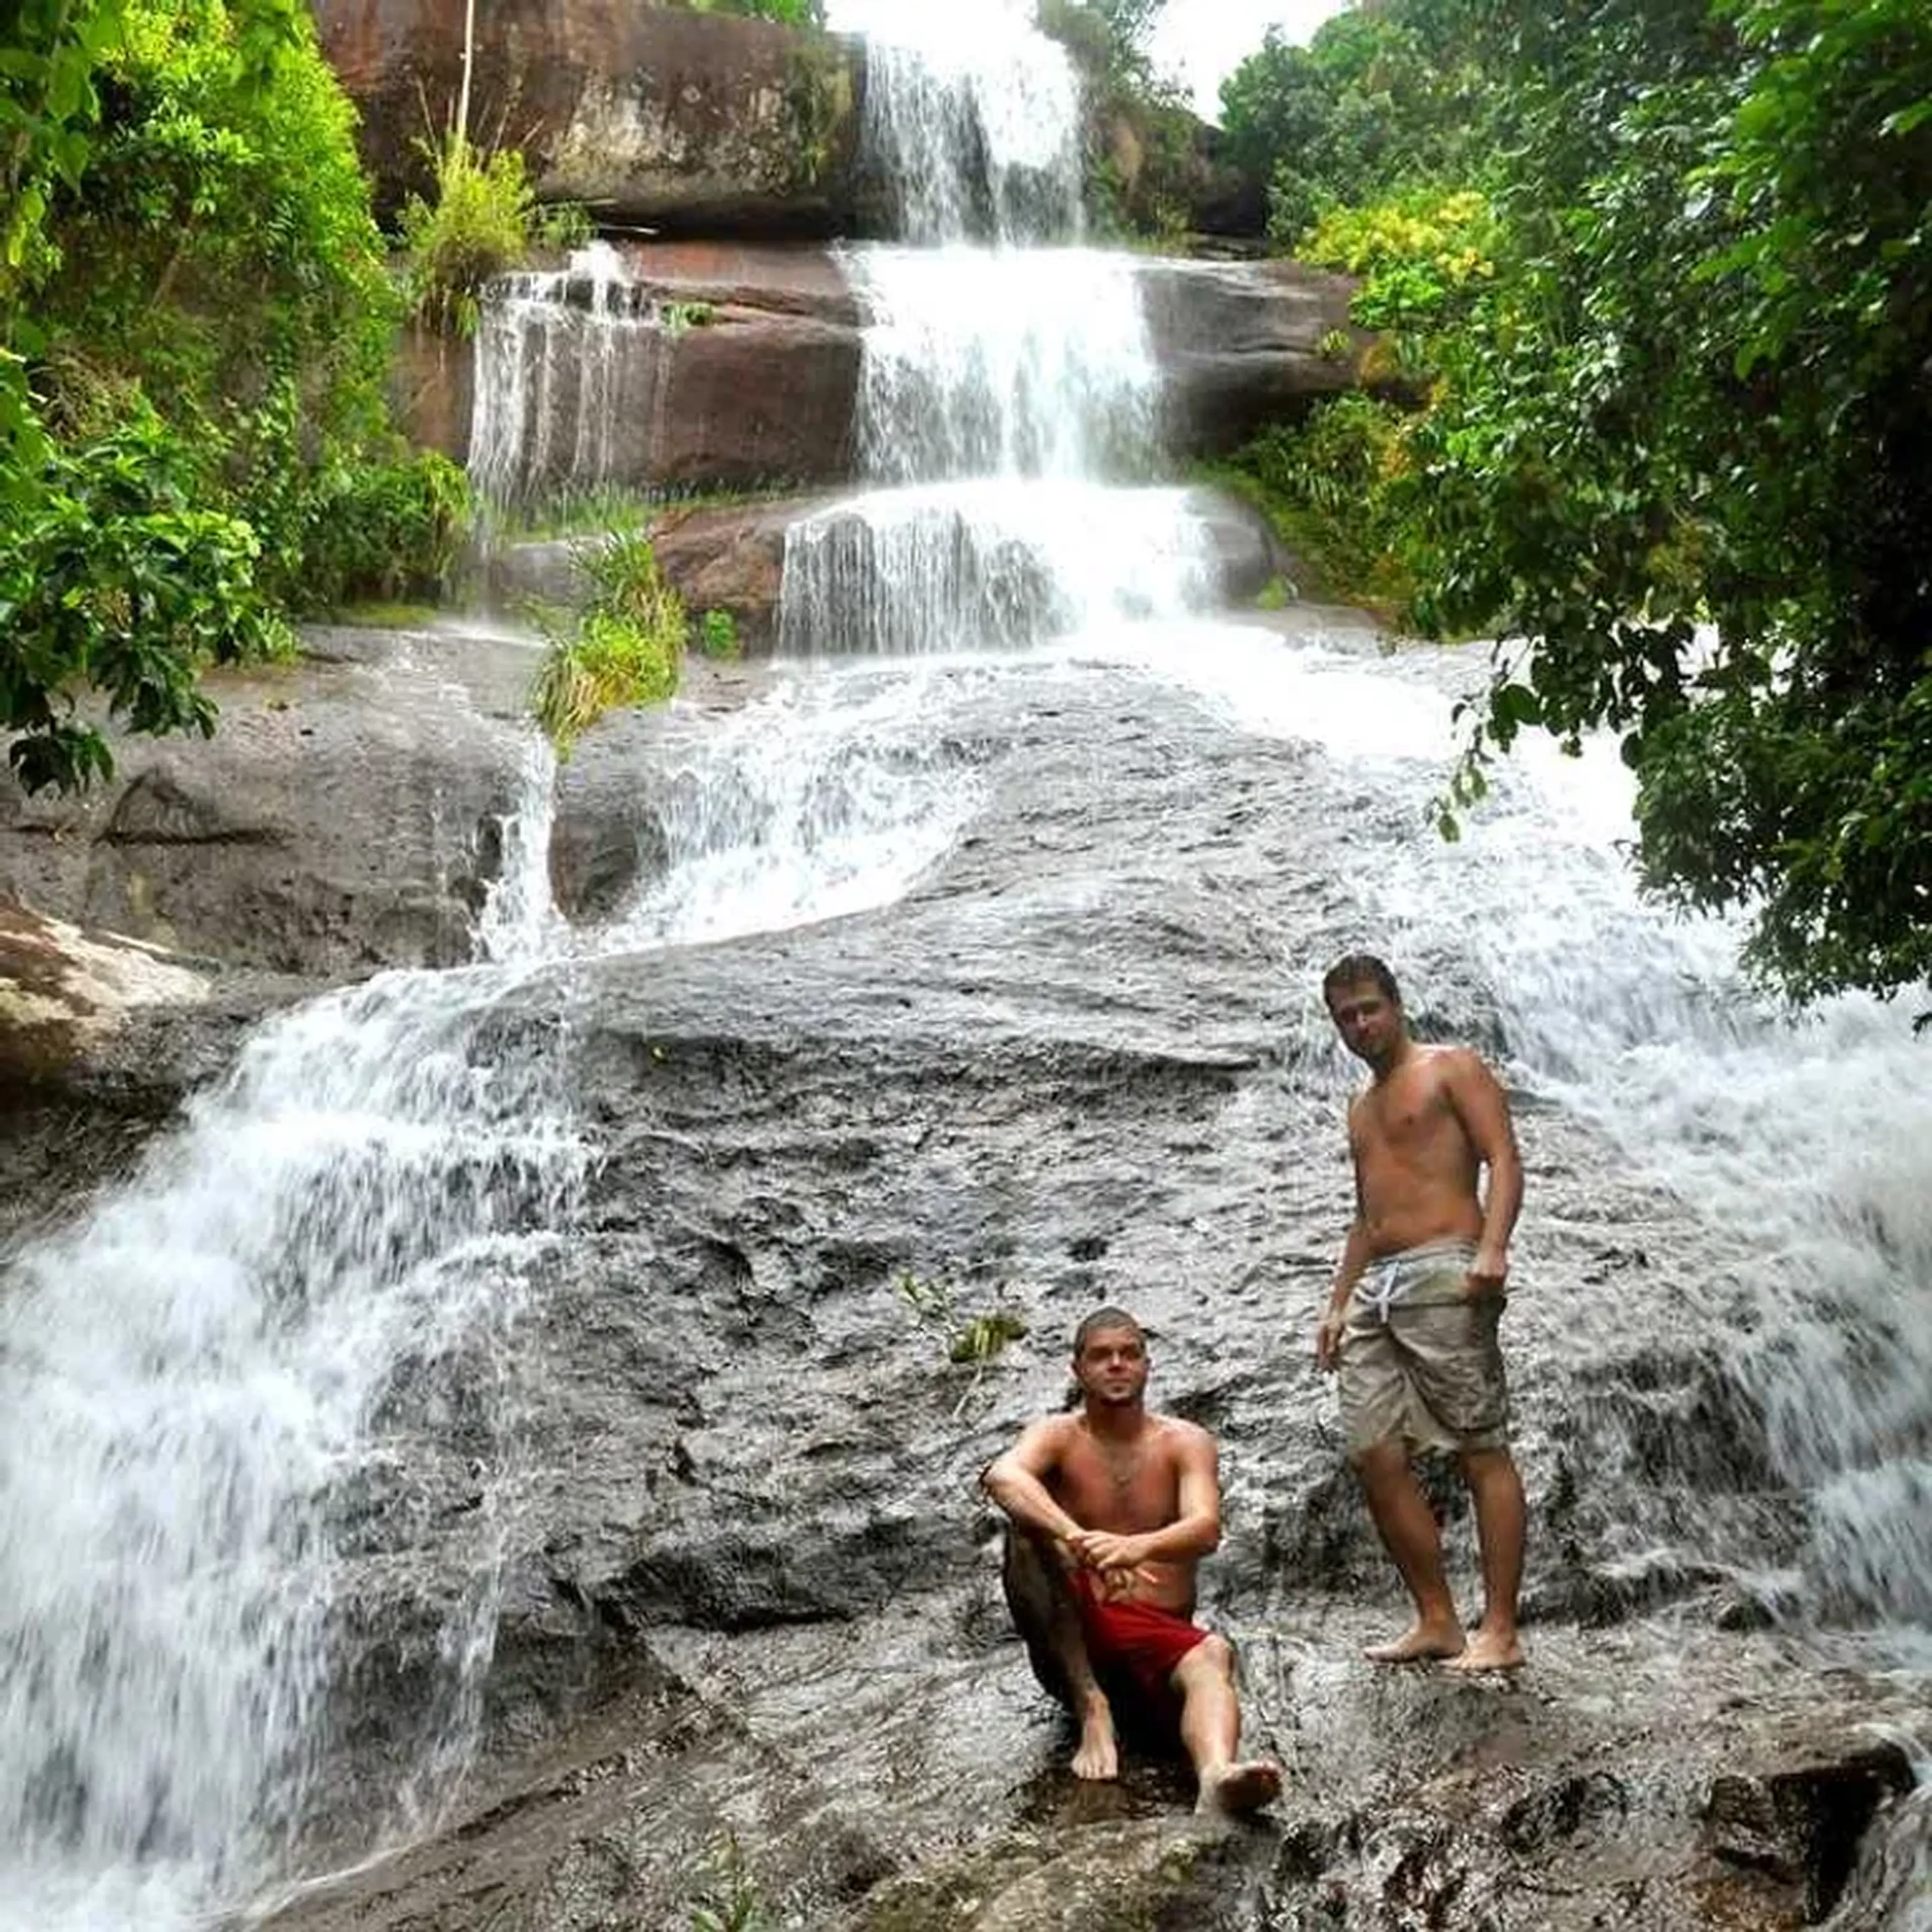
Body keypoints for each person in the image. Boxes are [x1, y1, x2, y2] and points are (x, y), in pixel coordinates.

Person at [1315, 953, 1528, 1672]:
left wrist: (1492, 1247)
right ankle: (1437, 1619)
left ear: (1397, 1004)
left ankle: (1500, 1631)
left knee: (1480, 1445)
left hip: (1447, 1267)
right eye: (1346, 1016)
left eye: (1370, 1008)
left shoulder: (1451, 1067)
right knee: (1373, 1451)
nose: (1360, 1024)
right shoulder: (1360, 1108)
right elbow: (1364, 1216)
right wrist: (1338, 1302)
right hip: (1377, 1285)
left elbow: (1504, 1157)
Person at [982, 1307, 1281, 1815]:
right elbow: (1002, 1477)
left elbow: (1206, 1528)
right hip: (1075, 1642)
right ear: (1077, 1369)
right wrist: (1082, 1542)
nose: (1117, 1364)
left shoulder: (1185, 1442)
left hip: (1157, 1645)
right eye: (1101, 1356)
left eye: (1129, 1354)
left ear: (1147, 1366)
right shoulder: (1057, 1435)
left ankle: (1215, 1777)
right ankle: (1091, 1707)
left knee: (1213, 1654)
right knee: (1026, 1536)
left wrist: (1134, 1548)